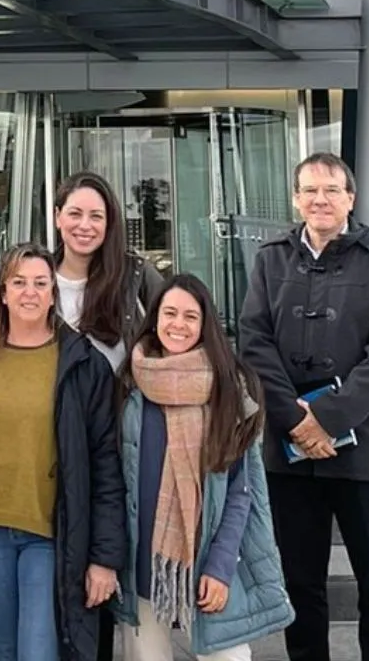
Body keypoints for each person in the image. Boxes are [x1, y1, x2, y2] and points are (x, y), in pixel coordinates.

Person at [236, 153, 369, 661]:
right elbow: (254, 341)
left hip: (367, 448)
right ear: (295, 198)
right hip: (290, 451)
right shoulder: (271, 259)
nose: (320, 199)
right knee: (300, 585)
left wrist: (328, 419)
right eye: (310, 190)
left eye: (331, 190)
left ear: (350, 199)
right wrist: (296, 422)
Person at [0, 242, 127, 661]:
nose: (29, 292)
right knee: (4, 649)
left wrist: (105, 558)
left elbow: (106, 466)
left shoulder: (83, 364)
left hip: (49, 535)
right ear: (3, 292)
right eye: (19, 282)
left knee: (37, 652)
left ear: (53, 293)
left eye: (40, 283)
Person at [113, 274, 292, 661]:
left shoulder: (229, 387)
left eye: (190, 317)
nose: (178, 324)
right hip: (142, 560)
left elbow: (241, 492)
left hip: (209, 558)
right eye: (170, 313)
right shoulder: (130, 385)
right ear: (154, 317)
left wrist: (222, 565)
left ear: (205, 324)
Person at [51, 172, 162, 371]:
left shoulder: (135, 274)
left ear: (108, 222)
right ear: (58, 217)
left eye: (96, 216)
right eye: (75, 214)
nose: (85, 225)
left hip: (120, 400)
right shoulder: (37, 280)